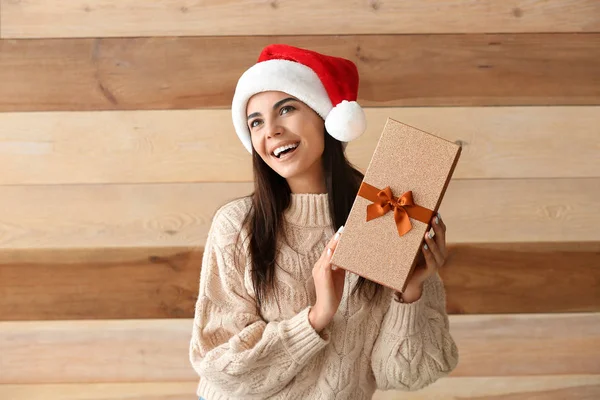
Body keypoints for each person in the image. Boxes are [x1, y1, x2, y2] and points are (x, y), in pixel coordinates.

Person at [189, 44, 459, 400]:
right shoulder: (237, 225)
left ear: (324, 116)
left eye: (286, 109)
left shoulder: (389, 213)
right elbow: (218, 365)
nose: (270, 130)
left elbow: (405, 376)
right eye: (255, 122)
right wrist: (317, 316)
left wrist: (409, 293)